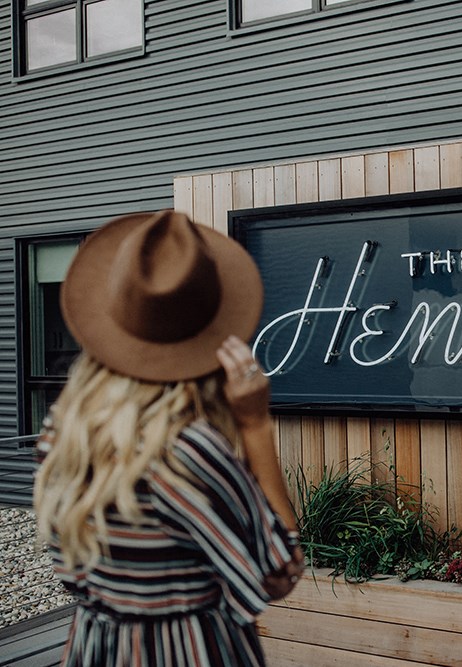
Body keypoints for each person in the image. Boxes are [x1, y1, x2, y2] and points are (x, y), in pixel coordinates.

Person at [33, 210, 304, 666]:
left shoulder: (63, 432)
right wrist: (255, 426)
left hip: (97, 646)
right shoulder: (187, 451)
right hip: (192, 651)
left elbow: (72, 572)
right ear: (215, 337)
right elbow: (279, 573)